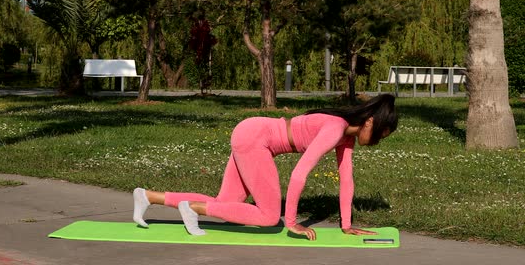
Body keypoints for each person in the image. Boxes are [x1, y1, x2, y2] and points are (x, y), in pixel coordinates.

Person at [132, 94, 398, 240]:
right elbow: (299, 174)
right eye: (380, 136)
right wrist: (292, 224)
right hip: (256, 138)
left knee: (226, 202)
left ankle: (147, 196)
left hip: (251, 131)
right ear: (370, 123)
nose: (376, 143)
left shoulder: (345, 136)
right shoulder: (335, 128)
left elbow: (346, 179)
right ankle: (192, 208)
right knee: (270, 217)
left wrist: (346, 224)